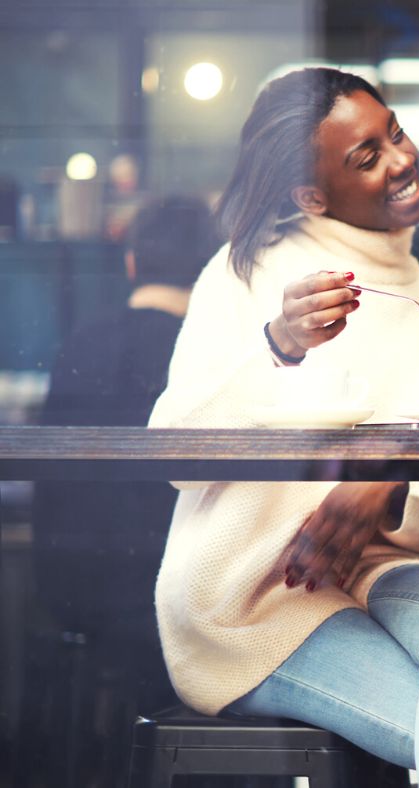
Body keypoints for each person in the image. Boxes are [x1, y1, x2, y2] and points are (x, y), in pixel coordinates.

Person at [147, 67, 419, 788]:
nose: (401, 160)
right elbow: (175, 451)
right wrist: (279, 344)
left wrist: (387, 488)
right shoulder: (247, 274)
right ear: (311, 194)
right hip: (248, 603)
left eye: (395, 133)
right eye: (367, 156)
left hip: (372, 575)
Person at [25, 194, 219, 785]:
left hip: (75, 594)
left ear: (131, 263)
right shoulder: (213, 355)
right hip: (185, 606)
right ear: (213, 269)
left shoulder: (80, 344)